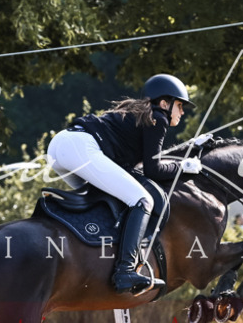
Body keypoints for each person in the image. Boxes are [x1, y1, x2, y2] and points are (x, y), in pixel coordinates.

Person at [46, 74, 200, 294]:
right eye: (180, 105)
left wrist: (189, 149)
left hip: (60, 147)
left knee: (107, 197)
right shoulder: (159, 117)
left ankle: (90, 253)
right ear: (164, 103)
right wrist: (184, 167)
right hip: (81, 150)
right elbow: (153, 169)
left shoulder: (142, 114)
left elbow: (150, 158)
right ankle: (125, 270)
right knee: (142, 200)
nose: (182, 112)